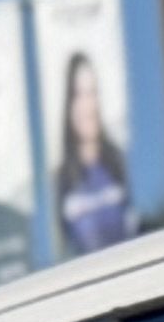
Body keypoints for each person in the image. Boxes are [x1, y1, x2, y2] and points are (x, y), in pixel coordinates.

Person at [51, 54, 134, 255]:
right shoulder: (63, 178)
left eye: (93, 93)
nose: (88, 105)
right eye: (80, 95)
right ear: (69, 104)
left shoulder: (116, 161)